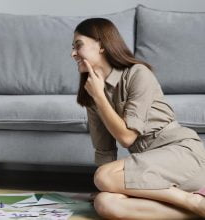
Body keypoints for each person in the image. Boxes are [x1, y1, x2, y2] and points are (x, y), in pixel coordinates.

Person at [72, 18, 205, 219]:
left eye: (78, 45)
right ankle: (195, 211)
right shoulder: (92, 91)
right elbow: (104, 149)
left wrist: (100, 97)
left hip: (182, 157)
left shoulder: (138, 73)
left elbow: (127, 138)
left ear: (100, 44)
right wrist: (110, 186)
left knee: (104, 177)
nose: (73, 53)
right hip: (148, 170)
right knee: (105, 203)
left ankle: (193, 201)